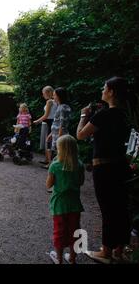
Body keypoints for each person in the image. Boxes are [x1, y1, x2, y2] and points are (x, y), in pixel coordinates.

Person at [77, 77, 132, 264]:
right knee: (121, 208)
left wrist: (84, 115)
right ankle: (120, 249)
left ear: (111, 92)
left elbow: (80, 134)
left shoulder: (104, 115)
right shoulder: (125, 114)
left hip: (104, 168)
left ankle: (106, 252)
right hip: (121, 166)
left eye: (104, 88)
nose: (102, 90)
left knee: (108, 210)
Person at [46, 135, 85, 264]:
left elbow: (48, 185)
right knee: (75, 231)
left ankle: (58, 259)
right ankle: (72, 258)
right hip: (74, 204)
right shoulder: (79, 164)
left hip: (59, 205)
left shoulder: (55, 165)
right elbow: (81, 182)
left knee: (59, 232)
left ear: (60, 149)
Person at [46, 87, 71, 169]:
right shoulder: (60, 107)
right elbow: (56, 123)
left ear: (59, 96)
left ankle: (59, 173)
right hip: (56, 136)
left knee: (60, 157)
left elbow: (62, 124)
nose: (53, 97)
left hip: (60, 137)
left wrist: (59, 139)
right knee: (58, 156)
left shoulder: (63, 108)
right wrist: (51, 134)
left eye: (54, 95)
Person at [33, 86, 57, 167]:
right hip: (50, 122)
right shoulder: (55, 101)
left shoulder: (49, 102)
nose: (43, 95)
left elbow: (46, 115)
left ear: (49, 92)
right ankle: (47, 160)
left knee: (48, 141)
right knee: (47, 141)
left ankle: (49, 163)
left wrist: (37, 121)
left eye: (44, 93)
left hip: (49, 122)